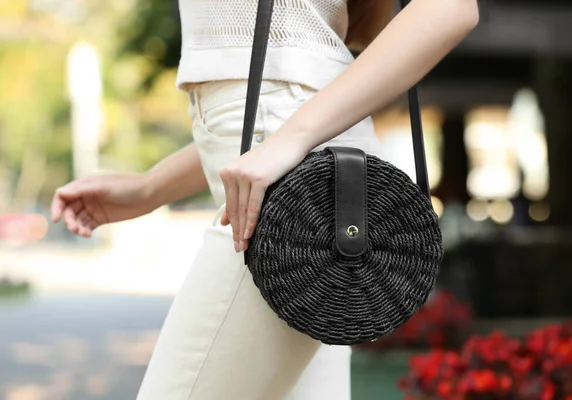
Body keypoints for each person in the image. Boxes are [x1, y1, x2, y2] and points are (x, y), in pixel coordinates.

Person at [51, 0, 479, 398]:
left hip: (301, 201)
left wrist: (291, 140)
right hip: (299, 179)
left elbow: (451, 7)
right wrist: (149, 188)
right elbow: (253, 114)